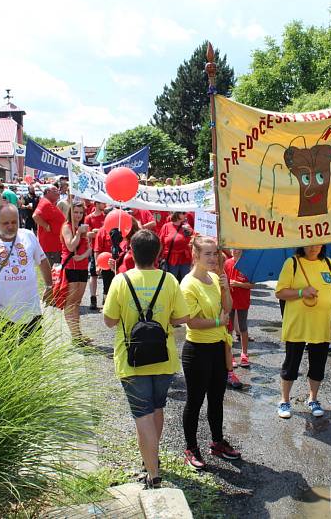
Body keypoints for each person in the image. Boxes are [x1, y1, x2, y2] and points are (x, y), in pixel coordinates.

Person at [103, 230, 190, 489]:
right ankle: (152, 458)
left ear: (131, 251)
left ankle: (153, 473)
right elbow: (181, 318)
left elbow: (109, 322)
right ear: (159, 253)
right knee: (156, 409)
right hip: (163, 358)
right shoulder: (170, 280)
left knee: (143, 415)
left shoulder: (120, 280)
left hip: (131, 360)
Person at [180, 236, 241, 470]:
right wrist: (218, 321)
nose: (214, 257)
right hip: (197, 350)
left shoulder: (216, 277)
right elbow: (192, 322)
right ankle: (191, 448)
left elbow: (228, 307)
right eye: (208, 253)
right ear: (195, 255)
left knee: (217, 398)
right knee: (194, 401)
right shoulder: (188, 284)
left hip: (217, 347)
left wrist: (225, 288)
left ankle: (217, 442)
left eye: (215, 253)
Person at [275, 245, 331, 420]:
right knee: (291, 363)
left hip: (321, 325)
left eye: (318, 243)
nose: (314, 247)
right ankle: (284, 400)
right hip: (298, 324)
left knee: (318, 364)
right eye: (310, 243)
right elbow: (280, 292)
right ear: (302, 244)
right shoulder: (292, 263)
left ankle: (313, 399)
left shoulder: (328, 263)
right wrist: (301, 292)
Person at [0, 204, 53, 344]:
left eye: (14, 222)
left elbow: (43, 260)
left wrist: (49, 286)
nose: (10, 226)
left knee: (33, 356)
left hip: (31, 312)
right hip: (1, 314)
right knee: (5, 359)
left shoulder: (28, 235)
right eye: (6, 223)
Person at [61, 200, 92, 344]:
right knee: (71, 302)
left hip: (83, 267)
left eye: (81, 212)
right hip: (71, 267)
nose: (78, 215)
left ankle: (78, 334)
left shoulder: (83, 227)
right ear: (70, 212)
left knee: (77, 302)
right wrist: (79, 233)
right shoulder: (67, 227)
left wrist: (84, 256)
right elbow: (70, 245)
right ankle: (75, 335)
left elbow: (90, 248)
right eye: (76, 212)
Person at [224, 249, 254, 369]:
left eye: (238, 250)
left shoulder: (247, 265)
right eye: (233, 249)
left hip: (242, 300)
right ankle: (229, 354)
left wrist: (238, 284)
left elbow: (252, 285)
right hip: (229, 300)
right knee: (229, 328)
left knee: (243, 327)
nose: (235, 251)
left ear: (243, 252)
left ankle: (244, 353)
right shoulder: (227, 263)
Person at [33, 185, 65, 265]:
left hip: (55, 245)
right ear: (47, 192)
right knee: (53, 271)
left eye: (58, 191)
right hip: (51, 246)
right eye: (54, 191)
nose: (58, 193)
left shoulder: (49, 203)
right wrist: (46, 226)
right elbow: (35, 216)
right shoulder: (45, 203)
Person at [158, 211, 193, 282]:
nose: (185, 215)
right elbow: (161, 243)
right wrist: (157, 257)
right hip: (171, 259)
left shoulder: (187, 227)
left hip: (185, 259)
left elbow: (193, 241)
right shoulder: (166, 226)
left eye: (185, 213)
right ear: (176, 214)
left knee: (186, 281)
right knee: (171, 281)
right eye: (183, 213)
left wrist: (190, 232)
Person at [85, 201, 107, 311]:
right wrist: (100, 232)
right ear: (97, 204)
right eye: (103, 203)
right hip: (95, 249)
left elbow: (108, 231)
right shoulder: (89, 218)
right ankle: (93, 298)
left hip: (106, 250)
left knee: (107, 275)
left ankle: (105, 297)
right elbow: (88, 234)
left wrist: (97, 231)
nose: (105, 205)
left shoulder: (106, 216)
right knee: (93, 274)